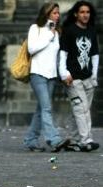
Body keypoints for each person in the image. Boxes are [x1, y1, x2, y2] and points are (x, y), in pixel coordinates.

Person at [24, 2, 70, 152]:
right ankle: (54, 139)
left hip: (51, 75)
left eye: (58, 13)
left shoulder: (56, 32)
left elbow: (57, 56)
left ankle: (31, 139)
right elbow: (32, 48)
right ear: (47, 13)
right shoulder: (35, 29)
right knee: (47, 108)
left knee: (41, 109)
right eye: (54, 13)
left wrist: (62, 73)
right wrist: (49, 35)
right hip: (37, 74)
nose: (57, 16)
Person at [59, 1, 100, 152]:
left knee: (79, 110)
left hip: (88, 78)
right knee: (82, 109)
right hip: (73, 79)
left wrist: (94, 75)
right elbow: (63, 54)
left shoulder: (91, 30)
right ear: (76, 14)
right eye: (82, 12)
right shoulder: (69, 30)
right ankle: (86, 140)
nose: (85, 15)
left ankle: (73, 139)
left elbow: (95, 55)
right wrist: (64, 73)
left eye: (87, 12)